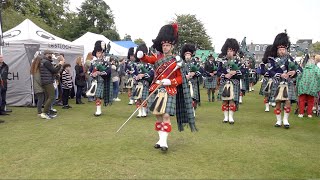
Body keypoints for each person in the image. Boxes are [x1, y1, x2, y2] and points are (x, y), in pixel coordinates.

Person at [137, 23, 196, 152]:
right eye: (163, 45)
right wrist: (142, 56)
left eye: (167, 45)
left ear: (172, 46)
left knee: (166, 116)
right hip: (157, 89)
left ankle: (164, 141)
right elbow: (148, 59)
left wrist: (170, 81)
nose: (165, 47)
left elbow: (181, 78)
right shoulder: (157, 58)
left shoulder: (177, 60)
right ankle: (160, 139)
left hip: (170, 90)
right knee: (158, 115)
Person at [270, 32, 302, 129]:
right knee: (278, 102)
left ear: (286, 49)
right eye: (280, 49)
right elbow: (270, 71)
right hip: (278, 83)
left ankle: (286, 120)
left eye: (283, 49)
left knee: (288, 101)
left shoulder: (290, 58)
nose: (282, 51)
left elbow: (300, 69)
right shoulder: (273, 59)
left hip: (288, 82)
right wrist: (280, 74)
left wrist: (294, 73)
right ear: (277, 50)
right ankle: (278, 121)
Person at [217, 38, 243, 124]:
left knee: (232, 100)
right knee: (225, 100)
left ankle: (231, 117)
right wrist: (224, 75)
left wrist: (235, 72)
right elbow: (218, 71)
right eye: (228, 51)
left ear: (235, 51)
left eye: (231, 51)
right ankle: (225, 117)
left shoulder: (239, 61)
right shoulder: (222, 61)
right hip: (224, 82)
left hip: (234, 82)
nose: (229, 52)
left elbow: (243, 72)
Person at [89, 41, 113, 116]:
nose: (98, 54)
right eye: (97, 53)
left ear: (102, 53)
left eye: (99, 52)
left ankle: (99, 110)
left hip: (103, 81)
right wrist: (93, 74)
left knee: (99, 95)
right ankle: (98, 110)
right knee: (96, 96)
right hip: (95, 81)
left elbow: (108, 71)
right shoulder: (93, 62)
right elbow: (89, 71)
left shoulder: (106, 62)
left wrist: (100, 73)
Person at [40, 50, 64, 119]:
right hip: (48, 81)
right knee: (51, 97)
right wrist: (60, 64)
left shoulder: (43, 61)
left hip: (45, 81)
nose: (51, 55)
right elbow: (55, 71)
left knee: (48, 97)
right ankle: (44, 113)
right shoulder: (46, 62)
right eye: (50, 54)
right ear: (46, 54)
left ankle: (47, 112)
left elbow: (52, 70)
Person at [132, 44, 154, 118]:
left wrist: (143, 75)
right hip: (137, 83)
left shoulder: (149, 65)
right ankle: (139, 112)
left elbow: (152, 73)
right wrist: (136, 76)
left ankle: (144, 111)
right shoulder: (135, 64)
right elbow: (133, 73)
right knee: (137, 98)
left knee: (144, 98)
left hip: (145, 83)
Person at [181, 43, 201, 116]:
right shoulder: (181, 63)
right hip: (185, 83)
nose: (187, 56)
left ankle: (193, 111)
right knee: (185, 99)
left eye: (189, 54)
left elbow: (200, 72)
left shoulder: (195, 63)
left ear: (191, 55)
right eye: (186, 54)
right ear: (184, 55)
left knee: (194, 98)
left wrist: (194, 73)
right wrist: (184, 76)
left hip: (193, 83)